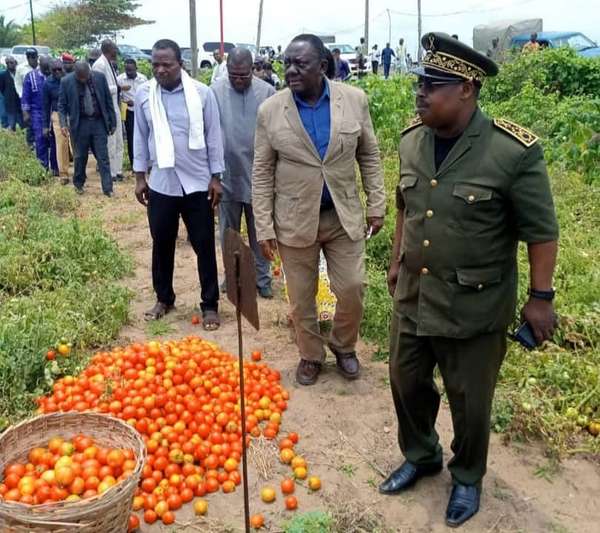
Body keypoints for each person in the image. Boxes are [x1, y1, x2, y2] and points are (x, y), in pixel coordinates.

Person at [381, 32, 559, 528]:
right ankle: (421, 455)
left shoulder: (511, 151)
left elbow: (542, 231)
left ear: (466, 89)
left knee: (470, 399)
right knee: (404, 379)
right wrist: (396, 258)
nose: (420, 93)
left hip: (474, 303)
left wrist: (541, 297)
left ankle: (466, 476)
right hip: (415, 294)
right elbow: (405, 204)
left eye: (432, 85)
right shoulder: (412, 140)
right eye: (419, 82)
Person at [252, 34, 386, 386]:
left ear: (322, 66)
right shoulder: (271, 110)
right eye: (287, 63)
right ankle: (311, 354)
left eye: (301, 64)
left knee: (353, 287)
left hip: (343, 215)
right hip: (295, 219)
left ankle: (344, 346)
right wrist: (263, 227)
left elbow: (369, 155)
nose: (291, 70)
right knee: (300, 297)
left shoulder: (354, 101)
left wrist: (377, 203)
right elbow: (262, 171)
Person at [133, 39, 225, 329]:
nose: (160, 70)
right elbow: (139, 135)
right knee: (161, 243)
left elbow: (214, 137)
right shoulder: (144, 94)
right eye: (155, 64)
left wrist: (216, 177)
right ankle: (164, 298)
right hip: (162, 183)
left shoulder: (202, 93)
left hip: (197, 183)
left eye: (166, 64)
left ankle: (210, 305)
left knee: (204, 245)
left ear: (180, 64)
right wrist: (139, 177)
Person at [211, 47, 276, 298]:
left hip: (258, 176)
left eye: (244, 75)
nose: (238, 80)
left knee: (260, 231)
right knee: (229, 232)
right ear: (227, 70)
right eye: (233, 74)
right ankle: (232, 275)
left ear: (253, 69)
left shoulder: (267, 92)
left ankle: (262, 279)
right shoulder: (215, 91)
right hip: (227, 174)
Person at [58, 61, 116, 196]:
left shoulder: (100, 77)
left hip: (98, 123)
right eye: (81, 78)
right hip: (79, 124)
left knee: (103, 157)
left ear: (90, 72)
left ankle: (108, 189)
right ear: (75, 74)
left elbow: (108, 101)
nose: (84, 80)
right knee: (80, 157)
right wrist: (63, 124)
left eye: (86, 77)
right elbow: (61, 106)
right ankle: (78, 184)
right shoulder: (66, 82)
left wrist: (112, 122)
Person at [93, 40, 124, 182]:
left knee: (119, 141)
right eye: (114, 49)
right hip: (107, 109)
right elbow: (99, 88)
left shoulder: (109, 62)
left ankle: (118, 170)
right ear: (108, 49)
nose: (116, 52)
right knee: (111, 142)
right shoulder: (99, 65)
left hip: (115, 105)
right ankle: (111, 173)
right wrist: (117, 88)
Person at [22, 56, 57, 172]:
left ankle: (55, 167)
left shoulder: (54, 76)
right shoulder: (30, 77)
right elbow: (25, 96)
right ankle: (43, 168)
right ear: (40, 65)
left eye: (49, 69)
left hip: (52, 111)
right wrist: (26, 113)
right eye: (46, 69)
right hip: (37, 112)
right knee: (40, 139)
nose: (48, 71)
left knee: (54, 140)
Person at [117, 58, 148, 168]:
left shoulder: (143, 79)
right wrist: (125, 102)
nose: (129, 73)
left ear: (136, 68)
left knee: (145, 136)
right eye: (127, 71)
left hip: (142, 111)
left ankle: (146, 162)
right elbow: (117, 97)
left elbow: (147, 95)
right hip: (129, 112)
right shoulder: (120, 79)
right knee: (131, 138)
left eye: (131, 70)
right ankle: (134, 164)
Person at [43, 59, 68, 181]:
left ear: (63, 68)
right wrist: (45, 126)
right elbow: (45, 106)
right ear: (51, 71)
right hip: (57, 114)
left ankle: (80, 172)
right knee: (61, 143)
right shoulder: (48, 84)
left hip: (71, 113)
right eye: (54, 70)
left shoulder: (69, 80)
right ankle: (63, 174)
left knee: (76, 144)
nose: (58, 72)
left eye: (59, 69)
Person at [0, 56, 23, 130]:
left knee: (21, 125)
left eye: (11, 62)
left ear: (16, 62)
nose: (10, 64)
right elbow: (2, 88)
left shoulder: (19, 73)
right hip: (9, 104)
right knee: (10, 126)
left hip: (19, 104)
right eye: (7, 63)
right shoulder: (3, 75)